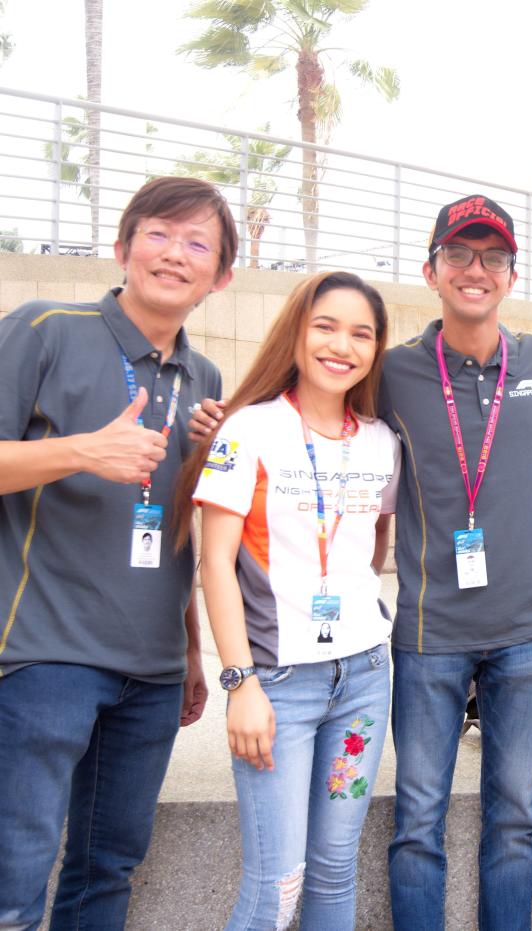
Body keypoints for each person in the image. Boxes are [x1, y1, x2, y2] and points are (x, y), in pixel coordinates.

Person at [0, 176, 236, 929]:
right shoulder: (45, 328)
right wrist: (81, 450)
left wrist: (191, 649)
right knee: (13, 882)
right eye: (159, 234)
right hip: (45, 661)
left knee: (107, 873)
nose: (175, 254)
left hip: (153, 674)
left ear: (222, 275)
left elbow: (178, 526)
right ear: (122, 245)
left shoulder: (204, 381)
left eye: (198, 243)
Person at [180, 271, 398, 929]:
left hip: (364, 681)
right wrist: (239, 680)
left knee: (335, 872)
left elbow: (372, 544)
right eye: (325, 326)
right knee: (277, 883)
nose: (342, 345)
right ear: (297, 333)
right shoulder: (249, 429)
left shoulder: (382, 440)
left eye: (361, 333)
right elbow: (214, 561)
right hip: (277, 684)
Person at [382, 195, 532, 930]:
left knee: (516, 816)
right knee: (418, 818)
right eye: (459, 253)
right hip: (429, 632)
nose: (475, 269)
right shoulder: (391, 372)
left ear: (512, 276)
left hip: (524, 632)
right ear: (431, 270)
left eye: (493, 256)